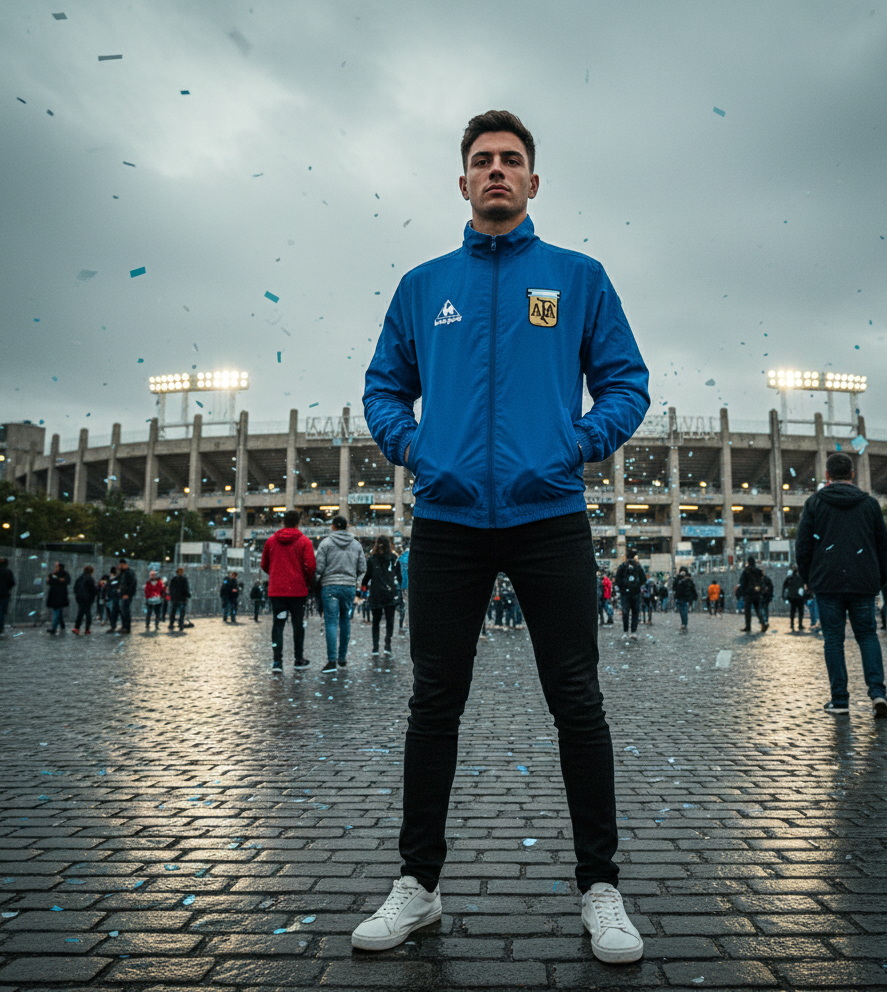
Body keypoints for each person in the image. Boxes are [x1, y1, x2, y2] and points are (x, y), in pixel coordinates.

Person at [358, 110, 649, 963]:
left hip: (549, 515)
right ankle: (419, 885)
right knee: (432, 703)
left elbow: (626, 384)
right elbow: (382, 390)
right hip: (445, 519)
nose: (496, 171)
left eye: (510, 161)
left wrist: (574, 446)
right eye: (481, 161)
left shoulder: (579, 277)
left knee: (578, 701)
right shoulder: (423, 286)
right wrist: (419, 451)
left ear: (532, 181)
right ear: (461, 182)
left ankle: (601, 887)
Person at [795, 451, 887, 718]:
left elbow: (802, 546)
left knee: (834, 641)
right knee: (868, 636)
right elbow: (883, 545)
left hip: (828, 582)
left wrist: (809, 577)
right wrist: (878, 577)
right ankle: (878, 694)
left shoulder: (814, 503)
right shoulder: (870, 504)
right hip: (863, 581)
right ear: (852, 474)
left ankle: (840, 700)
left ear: (827, 475)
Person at [262, 509, 316, 671]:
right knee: (298, 625)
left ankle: (277, 661)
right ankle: (298, 659)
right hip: (297, 591)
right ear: (298, 522)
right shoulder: (305, 541)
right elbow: (311, 566)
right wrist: (305, 580)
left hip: (277, 591)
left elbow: (264, 564)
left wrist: (276, 575)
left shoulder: (271, 541)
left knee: (277, 625)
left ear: (283, 522)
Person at [315, 514, 366, 673]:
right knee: (345, 620)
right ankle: (342, 657)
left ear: (333, 527)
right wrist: (353, 579)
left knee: (331, 622)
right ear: (346, 526)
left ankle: (331, 661)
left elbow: (319, 568)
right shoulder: (356, 545)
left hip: (330, 586)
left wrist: (321, 579)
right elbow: (362, 568)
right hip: (349, 587)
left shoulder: (326, 543)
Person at [362, 535, 403, 657]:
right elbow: (399, 576)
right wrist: (396, 586)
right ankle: (387, 645)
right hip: (389, 593)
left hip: (376, 593)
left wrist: (363, 587)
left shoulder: (372, 559)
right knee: (390, 621)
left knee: (376, 621)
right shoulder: (393, 558)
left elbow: (367, 576)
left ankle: (375, 647)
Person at [615, 551, 647, 640]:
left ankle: (625, 632)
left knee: (626, 613)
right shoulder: (638, 567)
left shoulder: (623, 566)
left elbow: (617, 579)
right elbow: (643, 579)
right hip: (635, 593)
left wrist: (622, 587)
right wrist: (637, 586)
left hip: (625, 593)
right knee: (635, 613)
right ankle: (633, 632)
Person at [737, 557, 767, 633]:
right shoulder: (758, 571)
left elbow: (742, 582)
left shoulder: (746, 571)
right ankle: (763, 623)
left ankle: (748, 626)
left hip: (748, 594)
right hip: (756, 593)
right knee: (758, 609)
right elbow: (762, 581)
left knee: (747, 611)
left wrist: (742, 592)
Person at [45, 561, 71, 635]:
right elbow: (49, 581)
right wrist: (58, 580)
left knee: (56, 611)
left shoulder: (64, 575)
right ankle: (62, 626)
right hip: (55, 596)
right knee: (58, 611)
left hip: (58, 596)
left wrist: (55, 580)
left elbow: (64, 581)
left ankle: (54, 628)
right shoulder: (54, 575)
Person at [113, 559, 137, 634]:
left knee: (125, 610)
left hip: (126, 595)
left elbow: (132, 584)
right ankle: (124, 626)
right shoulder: (123, 573)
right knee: (123, 610)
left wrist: (128, 594)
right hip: (122, 594)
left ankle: (126, 627)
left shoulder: (129, 573)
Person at [671, 567, 698, 633]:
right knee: (681, 610)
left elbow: (692, 589)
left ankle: (684, 623)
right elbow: (674, 587)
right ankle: (684, 623)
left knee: (684, 609)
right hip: (680, 596)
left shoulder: (688, 580)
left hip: (685, 597)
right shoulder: (678, 579)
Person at [72, 565, 96, 634]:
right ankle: (87, 629)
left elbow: (75, 588)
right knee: (88, 613)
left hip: (80, 598)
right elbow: (93, 590)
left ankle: (77, 627)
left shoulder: (79, 578)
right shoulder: (90, 579)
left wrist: (77, 595)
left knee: (80, 613)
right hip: (88, 599)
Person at [782, 566, 806, 631]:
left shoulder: (789, 578)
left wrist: (784, 595)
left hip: (792, 597)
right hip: (799, 597)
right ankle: (800, 624)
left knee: (793, 611)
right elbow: (803, 587)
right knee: (800, 611)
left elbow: (784, 586)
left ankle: (792, 624)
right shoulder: (800, 578)